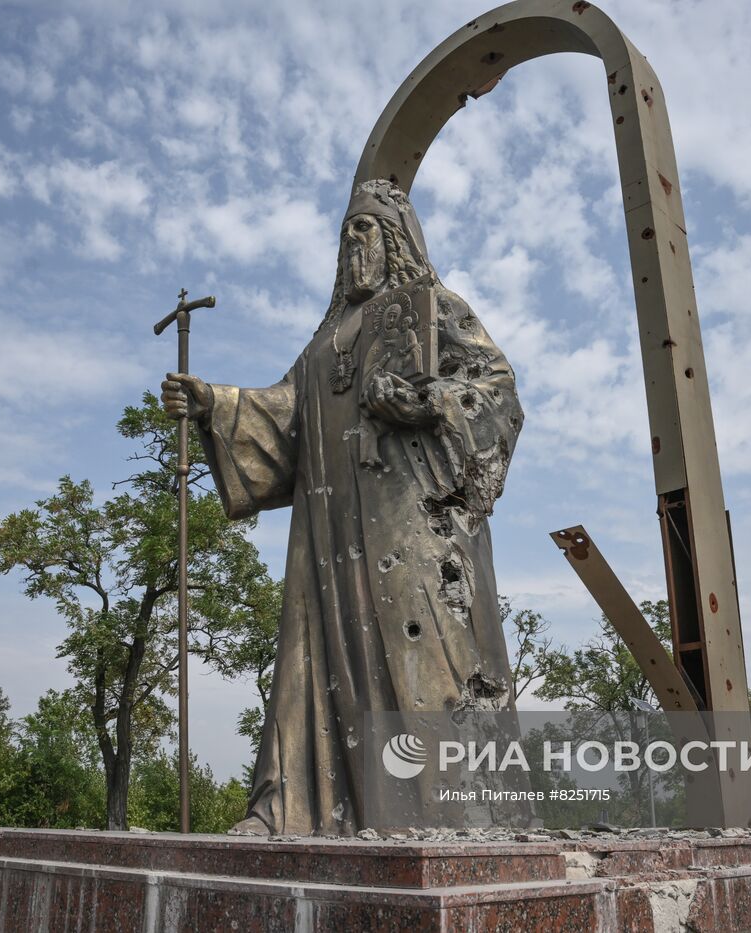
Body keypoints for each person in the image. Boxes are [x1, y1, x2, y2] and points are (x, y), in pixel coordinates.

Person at [161, 179, 525, 835]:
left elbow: (496, 390)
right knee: (313, 665)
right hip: (327, 542)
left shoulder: (430, 308)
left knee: (428, 677)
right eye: (345, 231)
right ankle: (289, 808)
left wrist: (423, 402)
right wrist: (212, 402)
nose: (351, 241)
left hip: (407, 533)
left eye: (365, 228)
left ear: (395, 239)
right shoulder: (324, 344)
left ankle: (446, 814)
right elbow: (281, 425)